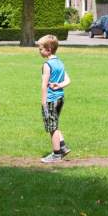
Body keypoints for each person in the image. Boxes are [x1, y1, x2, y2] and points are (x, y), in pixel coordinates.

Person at [37, 34, 71, 163]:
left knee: (52, 128)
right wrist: (59, 85)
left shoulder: (47, 65)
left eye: (41, 49)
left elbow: (44, 85)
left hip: (51, 100)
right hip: (60, 98)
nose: (39, 51)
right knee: (55, 123)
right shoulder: (60, 63)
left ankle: (56, 155)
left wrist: (44, 102)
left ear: (49, 49)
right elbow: (68, 80)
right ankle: (63, 147)